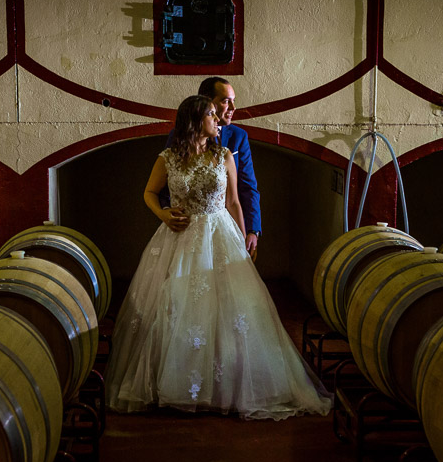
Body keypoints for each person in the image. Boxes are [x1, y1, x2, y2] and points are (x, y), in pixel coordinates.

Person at [105, 95, 331, 420]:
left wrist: (244, 240)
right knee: (176, 305)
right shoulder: (168, 158)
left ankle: (227, 384)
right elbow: (149, 192)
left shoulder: (224, 154)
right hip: (180, 237)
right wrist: (163, 214)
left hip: (219, 234)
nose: (218, 119)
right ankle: (178, 382)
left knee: (230, 308)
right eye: (211, 114)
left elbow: (234, 202)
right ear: (195, 120)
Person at [163, 77, 261, 259]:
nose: (233, 108)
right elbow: (168, 179)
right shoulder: (178, 136)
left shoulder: (238, 137)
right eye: (226, 101)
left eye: (233, 101)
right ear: (207, 102)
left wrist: (252, 230)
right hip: (186, 229)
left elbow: (248, 187)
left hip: (227, 229)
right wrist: (166, 213)